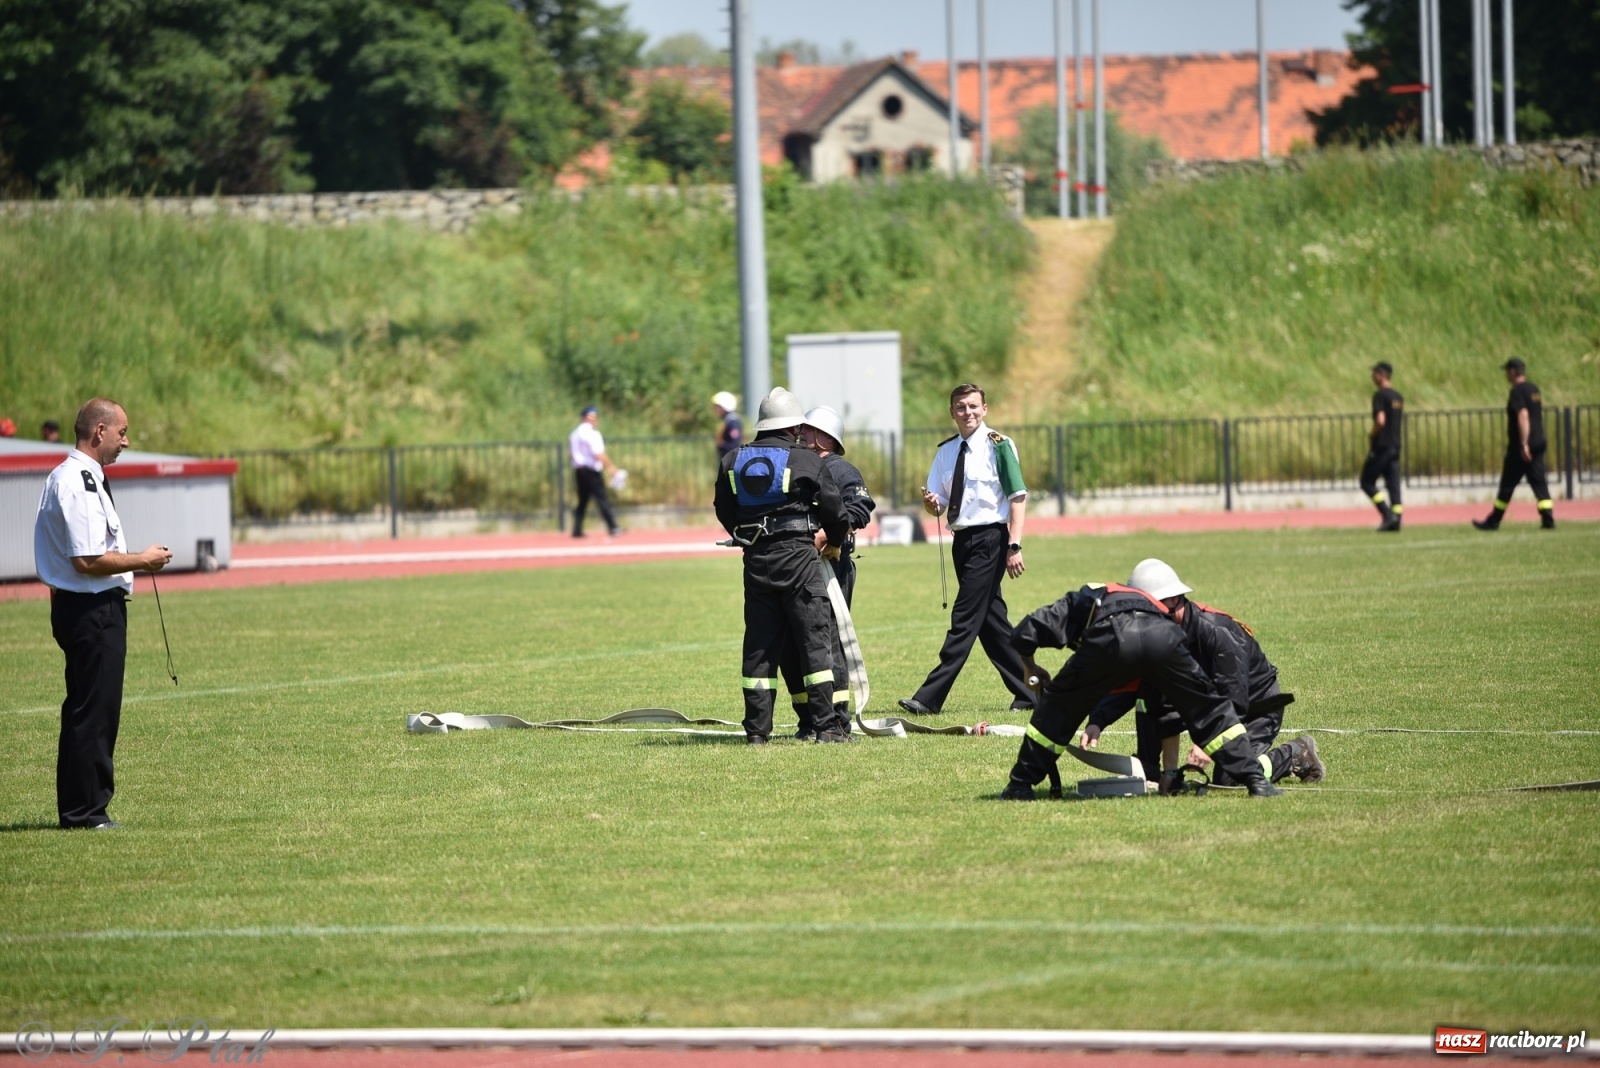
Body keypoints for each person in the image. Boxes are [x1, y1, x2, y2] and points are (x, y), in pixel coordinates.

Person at [997, 575, 1279, 800]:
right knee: (1208, 707)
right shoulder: (1160, 612)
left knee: (1057, 709)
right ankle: (1257, 781)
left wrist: (1029, 667)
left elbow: (1026, 631)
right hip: (1164, 639)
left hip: (1110, 634)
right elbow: (1167, 705)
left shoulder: (1081, 600)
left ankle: (1020, 785)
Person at [33, 398, 172, 829]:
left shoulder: (82, 476)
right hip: (90, 609)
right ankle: (85, 812)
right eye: (122, 432)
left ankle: (85, 807)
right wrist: (142, 560)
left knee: (93, 708)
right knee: (93, 711)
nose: (126, 441)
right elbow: (88, 560)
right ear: (99, 432)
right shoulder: (76, 481)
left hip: (91, 607)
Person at [1079, 559, 1323, 792]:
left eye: (1149, 607)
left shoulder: (1216, 632)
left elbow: (1235, 698)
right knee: (1148, 692)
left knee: (1230, 777)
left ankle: (1295, 754)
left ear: (1174, 600)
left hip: (1253, 708)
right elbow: (1134, 682)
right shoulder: (1157, 636)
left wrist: (1207, 745)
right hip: (1207, 703)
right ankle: (1152, 770)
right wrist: (1098, 721)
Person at [714, 388, 850, 744]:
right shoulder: (807, 461)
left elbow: (724, 510)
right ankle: (826, 728)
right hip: (800, 561)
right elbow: (835, 512)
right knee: (814, 643)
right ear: (794, 427)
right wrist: (833, 543)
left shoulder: (732, 460)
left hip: (756, 562)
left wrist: (748, 537)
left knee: (760, 648)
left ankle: (757, 732)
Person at [898, 383, 1034, 717]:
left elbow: (1017, 497)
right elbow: (939, 505)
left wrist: (1014, 544)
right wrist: (932, 504)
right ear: (952, 412)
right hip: (962, 541)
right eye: (960, 407)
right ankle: (1032, 690)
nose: (967, 412)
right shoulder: (946, 452)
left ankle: (929, 698)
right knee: (992, 624)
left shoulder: (999, 446)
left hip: (991, 538)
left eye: (973, 406)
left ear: (984, 409)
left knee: (964, 619)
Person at [779, 405, 877, 739]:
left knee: (827, 641)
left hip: (830, 567)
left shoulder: (841, 469)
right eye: (800, 429)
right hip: (794, 567)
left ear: (828, 438)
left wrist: (831, 532)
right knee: (791, 644)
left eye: (808, 430)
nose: (801, 434)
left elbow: (860, 508)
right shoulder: (795, 464)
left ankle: (836, 719)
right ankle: (808, 719)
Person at [1474, 358, 1555, 531]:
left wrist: (1524, 443)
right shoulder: (1534, 389)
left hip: (1523, 445)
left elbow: (1523, 415)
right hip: (1539, 441)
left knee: (1508, 484)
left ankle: (1493, 521)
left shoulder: (1517, 391)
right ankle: (1548, 518)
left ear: (1512, 371)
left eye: (1506, 371)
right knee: (1538, 481)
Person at [1360, 362, 1404, 532]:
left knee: (1367, 481)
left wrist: (1372, 434)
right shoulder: (1398, 397)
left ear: (1382, 375)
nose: (1372, 376)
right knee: (1393, 484)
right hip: (1395, 445)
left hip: (1382, 445)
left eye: (1375, 373)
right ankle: (1397, 519)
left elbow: (1380, 420)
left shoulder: (1380, 395)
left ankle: (1387, 514)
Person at [568, 405, 621, 538]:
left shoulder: (574, 434)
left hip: (579, 470)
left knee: (582, 501)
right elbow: (598, 453)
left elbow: (571, 454)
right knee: (601, 498)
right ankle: (613, 527)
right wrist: (610, 467)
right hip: (591, 470)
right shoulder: (592, 434)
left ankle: (577, 529)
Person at [713, 391, 744, 458]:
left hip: (731, 462)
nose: (715, 410)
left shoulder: (732, 422)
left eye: (717, 407)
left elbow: (734, 444)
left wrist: (721, 446)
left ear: (724, 407)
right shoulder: (728, 420)